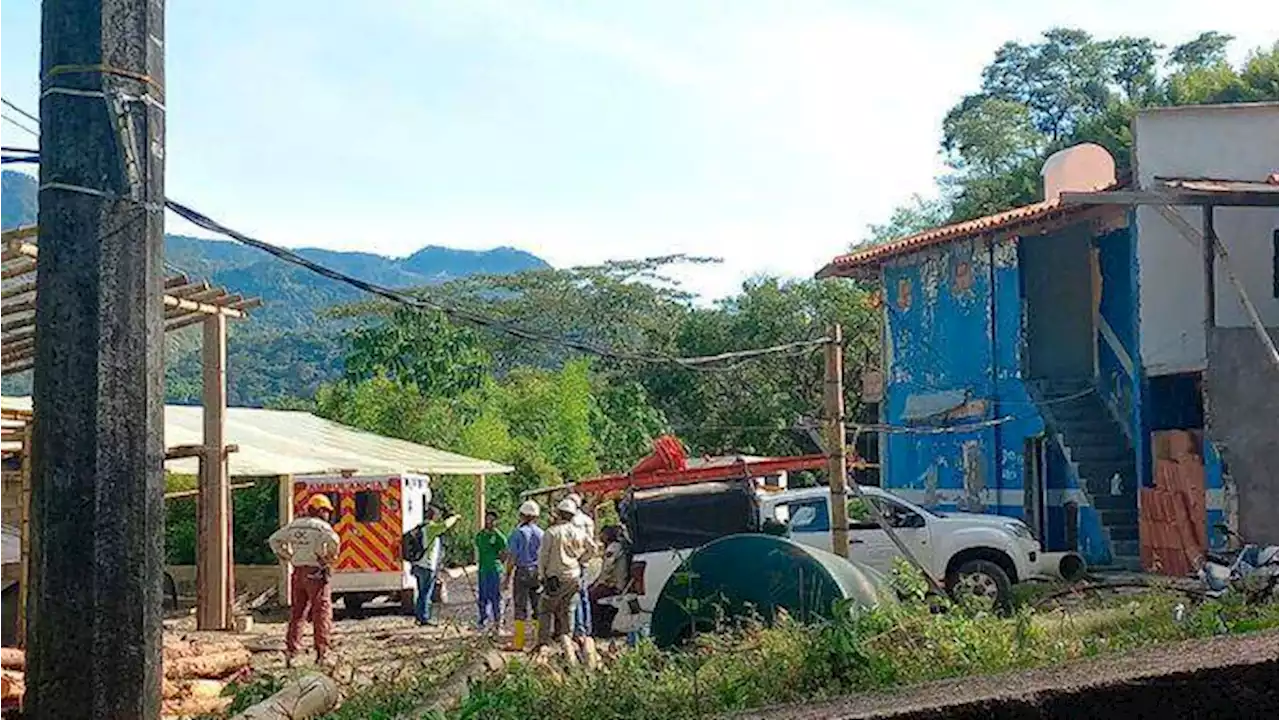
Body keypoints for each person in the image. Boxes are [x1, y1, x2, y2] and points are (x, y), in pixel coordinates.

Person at [268, 493, 340, 667]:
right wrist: (329, 556)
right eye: (326, 511)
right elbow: (334, 540)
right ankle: (322, 653)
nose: (328, 515)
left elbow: (274, 539)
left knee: (297, 614)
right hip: (315, 573)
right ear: (320, 510)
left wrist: (286, 556)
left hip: (298, 573)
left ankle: (292, 653)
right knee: (321, 612)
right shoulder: (321, 527)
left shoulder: (294, 526)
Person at [536, 498, 590, 649]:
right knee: (568, 608)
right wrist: (581, 559)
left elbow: (543, 557)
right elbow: (592, 548)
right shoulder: (578, 532)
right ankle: (566, 640)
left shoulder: (551, 533)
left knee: (545, 609)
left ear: (559, 513)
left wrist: (542, 576)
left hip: (555, 577)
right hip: (573, 575)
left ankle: (543, 642)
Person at [505, 500, 544, 650]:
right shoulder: (541, 533)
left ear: (522, 515)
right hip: (537, 572)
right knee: (537, 607)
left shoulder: (518, 533)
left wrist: (507, 576)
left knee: (520, 607)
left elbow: (512, 557)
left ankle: (519, 642)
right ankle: (537, 641)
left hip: (522, 572)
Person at [411, 505, 459, 626]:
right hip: (426, 565)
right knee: (426, 593)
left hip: (417, 564)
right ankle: (424, 618)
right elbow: (445, 526)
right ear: (433, 516)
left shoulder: (419, 528)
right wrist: (454, 518)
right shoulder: (431, 528)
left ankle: (419, 616)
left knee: (421, 592)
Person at [566, 493, 599, 637]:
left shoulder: (572, 522)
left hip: (574, 561)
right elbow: (593, 543)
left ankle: (579, 629)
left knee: (575, 596)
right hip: (585, 561)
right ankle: (587, 627)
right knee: (584, 595)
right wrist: (586, 558)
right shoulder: (588, 520)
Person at [588, 525, 628, 638]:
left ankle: (597, 628)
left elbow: (607, 569)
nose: (600, 536)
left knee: (591, 596)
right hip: (616, 583)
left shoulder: (613, 548)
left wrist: (597, 584)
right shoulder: (618, 546)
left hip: (615, 585)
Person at [473, 509, 506, 632]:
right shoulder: (480, 535)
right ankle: (483, 621)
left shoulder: (498, 535)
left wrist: (499, 561)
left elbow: (505, 551)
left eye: (492, 520)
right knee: (483, 596)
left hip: (495, 570)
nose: (490, 522)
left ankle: (498, 622)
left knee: (496, 597)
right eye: (488, 519)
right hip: (483, 570)